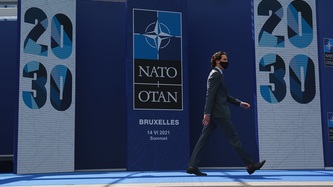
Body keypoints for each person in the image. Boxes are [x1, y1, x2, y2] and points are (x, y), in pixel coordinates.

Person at [186, 51, 266, 176]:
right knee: (234, 138)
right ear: (217, 61)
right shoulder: (216, 75)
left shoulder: (218, 74)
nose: (226, 61)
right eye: (224, 59)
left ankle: (192, 165)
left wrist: (239, 103)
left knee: (203, 139)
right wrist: (206, 113)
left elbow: (224, 96)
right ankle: (250, 164)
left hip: (215, 113)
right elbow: (210, 95)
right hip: (219, 113)